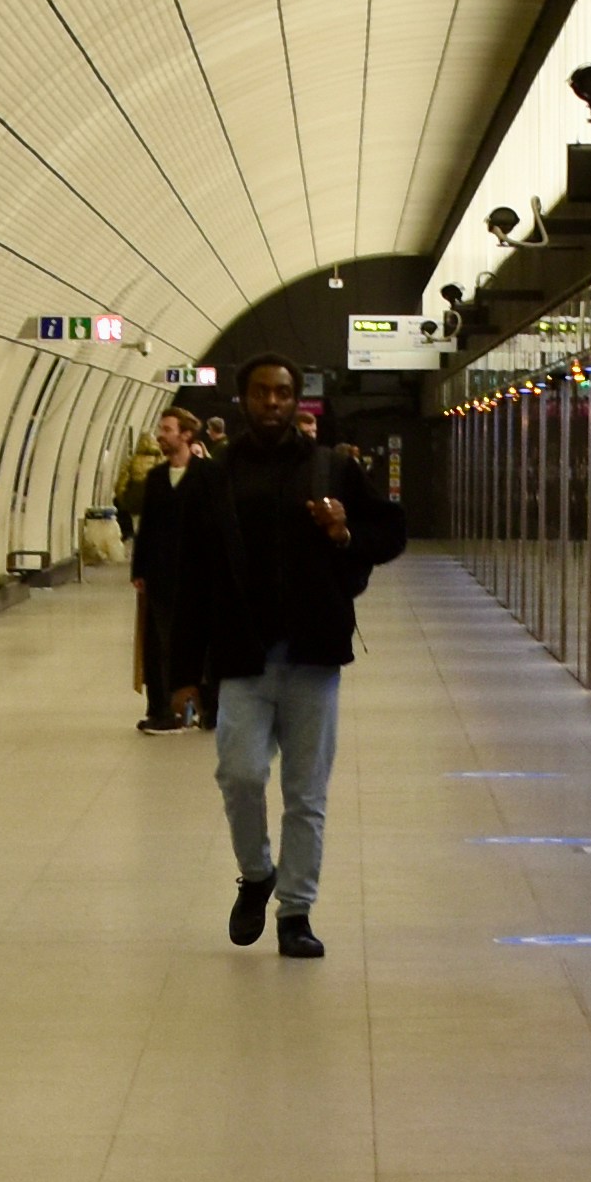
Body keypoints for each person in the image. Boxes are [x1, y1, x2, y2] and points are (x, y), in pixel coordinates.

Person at [171, 355, 401, 961]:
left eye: (281, 392)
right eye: (260, 392)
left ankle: (295, 911)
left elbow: (390, 533)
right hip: (241, 656)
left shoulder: (333, 468)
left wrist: (345, 532)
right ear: (243, 400)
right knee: (240, 774)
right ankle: (257, 874)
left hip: (313, 656)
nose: (271, 402)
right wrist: (183, 674)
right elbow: (189, 578)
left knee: (306, 794)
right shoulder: (213, 475)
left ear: (297, 399)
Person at [125, 401, 209, 732]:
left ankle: (205, 705)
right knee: (160, 643)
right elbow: (145, 527)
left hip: (199, 575)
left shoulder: (207, 475)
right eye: (161, 429)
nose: (161, 435)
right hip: (161, 575)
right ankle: (163, 709)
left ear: (186, 435)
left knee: (200, 642)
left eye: (167, 430)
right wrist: (139, 570)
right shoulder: (157, 478)